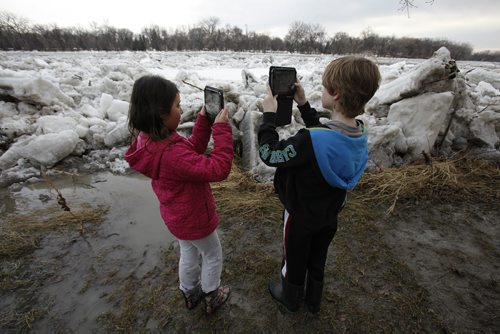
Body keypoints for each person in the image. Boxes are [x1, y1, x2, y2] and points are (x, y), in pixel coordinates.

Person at [258, 56, 381, 313]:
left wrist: (268, 116)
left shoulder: (308, 141)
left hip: (301, 215)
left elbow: (270, 154)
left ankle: (290, 296)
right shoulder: (358, 134)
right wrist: (303, 104)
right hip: (329, 214)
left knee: (294, 257)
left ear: (335, 94)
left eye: (325, 87)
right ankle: (313, 298)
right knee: (317, 256)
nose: (322, 90)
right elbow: (325, 136)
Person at [124, 75, 233, 315]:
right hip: (196, 219)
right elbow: (218, 169)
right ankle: (211, 295)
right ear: (161, 113)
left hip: (177, 219)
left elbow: (191, 150)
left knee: (188, 251)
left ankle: (190, 291)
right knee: (213, 254)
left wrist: (203, 121)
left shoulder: (152, 141)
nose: (181, 110)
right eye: (177, 105)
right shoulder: (171, 153)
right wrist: (222, 130)